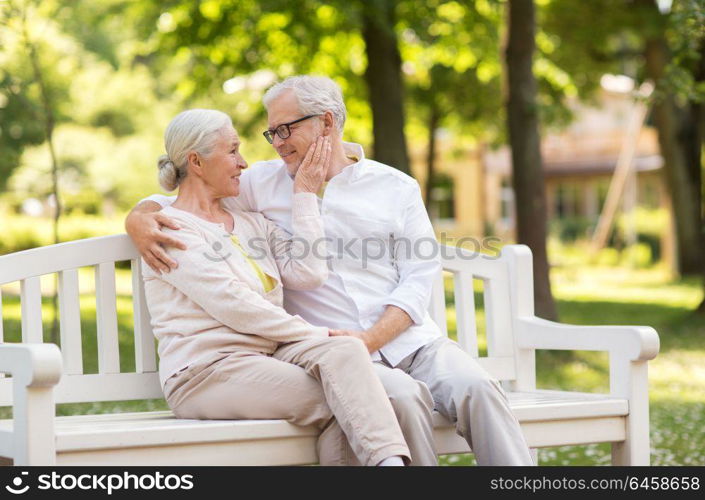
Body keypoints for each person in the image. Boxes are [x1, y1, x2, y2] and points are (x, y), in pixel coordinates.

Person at [127, 77, 534, 466]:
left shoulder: (395, 186)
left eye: (285, 129)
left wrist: (371, 339)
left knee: (479, 388)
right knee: (403, 399)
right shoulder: (259, 184)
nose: (277, 144)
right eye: (272, 133)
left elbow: (418, 278)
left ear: (327, 122)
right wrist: (139, 217)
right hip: (329, 352)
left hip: (411, 342)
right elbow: (187, 189)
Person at [140, 108, 410, 467]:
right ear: (196, 162)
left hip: (265, 360)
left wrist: (304, 194)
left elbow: (310, 273)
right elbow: (235, 305)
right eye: (233, 151)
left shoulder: (253, 224)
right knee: (346, 399)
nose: (244, 163)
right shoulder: (170, 230)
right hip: (205, 372)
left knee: (346, 356)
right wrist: (319, 334)